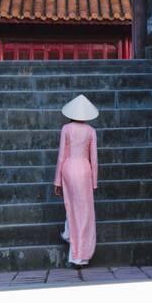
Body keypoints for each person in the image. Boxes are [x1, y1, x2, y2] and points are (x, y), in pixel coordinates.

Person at [53, 94, 99, 269]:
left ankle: (69, 235)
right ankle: (81, 256)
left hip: (69, 168)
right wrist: (94, 181)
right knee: (84, 212)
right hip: (85, 169)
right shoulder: (91, 131)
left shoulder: (66, 128)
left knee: (71, 206)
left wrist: (57, 180)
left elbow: (61, 156)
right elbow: (94, 159)